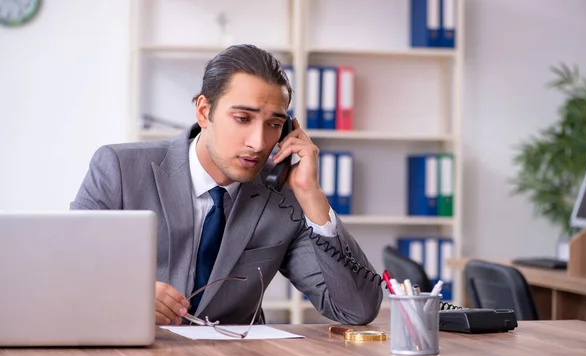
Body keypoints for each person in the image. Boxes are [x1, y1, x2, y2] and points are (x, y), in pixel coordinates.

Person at [71, 44, 382, 327]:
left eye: (274, 124)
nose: (258, 143)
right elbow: (66, 271)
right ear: (205, 112)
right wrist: (126, 293)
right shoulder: (120, 169)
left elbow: (355, 310)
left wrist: (312, 197)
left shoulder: (284, 198)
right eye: (243, 118)